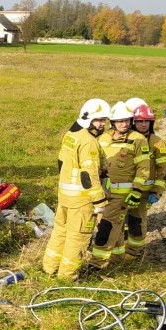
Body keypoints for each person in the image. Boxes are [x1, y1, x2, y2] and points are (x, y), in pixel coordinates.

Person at [42, 99, 109, 280]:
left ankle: (49, 267)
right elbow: (90, 175)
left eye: (104, 120)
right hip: (82, 200)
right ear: (88, 118)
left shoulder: (72, 135)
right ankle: (68, 276)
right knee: (77, 237)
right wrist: (99, 200)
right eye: (99, 120)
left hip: (65, 196)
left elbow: (61, 162)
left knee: (60, 231)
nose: (103, 124)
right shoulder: (89, 142)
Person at [88, 101, 151, 271]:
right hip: (104, 193)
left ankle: (96, 265)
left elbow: (143, 168)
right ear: (113, 122)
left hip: (123, 194)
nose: (124, 124)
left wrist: (137, 191)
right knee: (107, 226)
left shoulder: (138, 140)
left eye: (127, 120)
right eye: (120, 120)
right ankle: (117, 258)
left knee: (107, 227)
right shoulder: (103, 138)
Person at [123, 100, 166, 258]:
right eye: (139, 121)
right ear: (133, 121)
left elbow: (163, 170)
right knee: (118, 221)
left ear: (151, 122)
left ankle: (134, 252)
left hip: (143, 192)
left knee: (137, 222)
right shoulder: (126, 138)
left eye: (146, 121)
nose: (143, 124)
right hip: (122, 190)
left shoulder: (157, 142)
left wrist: (157, 191)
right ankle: (117, 249)